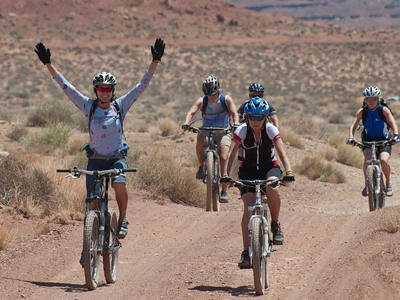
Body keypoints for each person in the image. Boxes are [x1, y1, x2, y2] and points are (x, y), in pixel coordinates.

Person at [34, 38, 165, 240]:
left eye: (108, 89)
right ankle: (89, 246)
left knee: (119, 184)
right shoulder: (88, 106)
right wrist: (48, 64)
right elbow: (66, 87)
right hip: (95, 159)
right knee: (92, 203)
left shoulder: (120, 106)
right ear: (96, 91)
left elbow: (141, 86)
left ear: (113, 91)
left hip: (116, 158)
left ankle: (122, 219)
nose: (105, 92)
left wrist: (154, 62)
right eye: (101, 89)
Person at [223, 97, 294, 269]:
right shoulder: (241, 130)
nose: (256, 121)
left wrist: (289, 171)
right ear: (247, 117)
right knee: (248, 208)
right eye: (252, 117)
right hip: (247, 170)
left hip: (269, 168)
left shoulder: (270, 129)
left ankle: (275, 225)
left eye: (260, 117)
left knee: (272, 189)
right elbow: (231, 154)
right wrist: (225, 175)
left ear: (265, 117)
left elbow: (281, 152)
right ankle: (246, 252)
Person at [182, 75, 240, 203]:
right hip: (206, 129)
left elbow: (235, 113)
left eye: (213, 93)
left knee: (224, 155)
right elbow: (191, 112)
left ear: (218, 89)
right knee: (200, 140)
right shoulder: (202, 100)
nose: (211, 96)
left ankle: (224, 188)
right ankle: (202, 165)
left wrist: (235, 124)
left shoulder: (226, 99)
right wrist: (186, 122)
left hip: (223, 131)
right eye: (208, 94)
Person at [347, 86, 399, 197]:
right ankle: (367, 184)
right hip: (368, 140)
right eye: (368, 99)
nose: (371, 101)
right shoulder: (362, 111)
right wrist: (351, 137)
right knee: (367, 158)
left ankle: (388, 182)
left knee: (383, 160)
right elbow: (353, 125)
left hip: (384, 140)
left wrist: (395, 135)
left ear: (378, 99)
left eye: (374, 99)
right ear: (365, 100)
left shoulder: (383, 110)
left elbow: (393, 123)